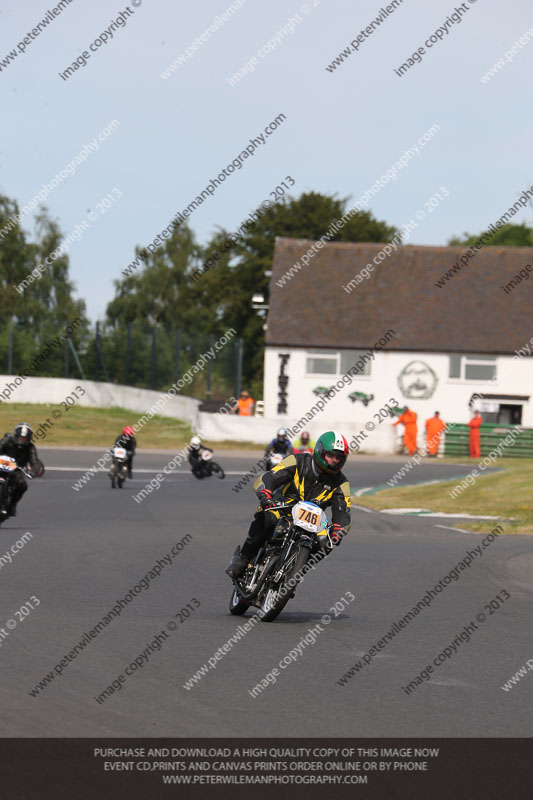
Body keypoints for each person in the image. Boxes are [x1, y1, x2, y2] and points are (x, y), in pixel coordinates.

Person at [226, 431, 351, 579]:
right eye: (331, 455)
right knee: (269, 516)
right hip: (283, 505)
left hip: (313, 519)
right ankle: (243, 557)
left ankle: (296, 574)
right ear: (320, 451)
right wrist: (266, 493)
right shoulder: (297, 460)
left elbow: (343, 511)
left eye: (339, 458)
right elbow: (270, 476)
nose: (334, 460)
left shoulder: (342, 483)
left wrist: (338, 530)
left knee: (326, 543)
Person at [0, 423, 40, 517]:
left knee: (22, 485)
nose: (22, 440)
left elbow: (35, 462)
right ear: (16, 435)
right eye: (20, 437)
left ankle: (12, 504)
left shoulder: (30, 448)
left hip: (16, 470)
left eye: (24, 438)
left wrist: (33, 472)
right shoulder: (7, 440)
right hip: (1, 465)